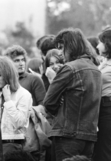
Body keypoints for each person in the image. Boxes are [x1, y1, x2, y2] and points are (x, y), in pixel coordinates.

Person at [43, 28, 102, 161]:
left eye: (61, 47)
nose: (59, 52)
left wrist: (53, 80)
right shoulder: (95, 69)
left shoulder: (70, 68)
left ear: (71, 46)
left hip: (68, 134)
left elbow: (49, 102)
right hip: (89, 135)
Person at [0, 56, 32, 157]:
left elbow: (20, 122)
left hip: (14, 145)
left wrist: (8, 100)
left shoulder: (24, 94)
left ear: (8, 74)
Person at [93, 27, 111, 161]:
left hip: (108, 107)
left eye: (100, 42)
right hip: (101, 108)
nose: (97, 46)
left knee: (105, 150)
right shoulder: (105, 62)